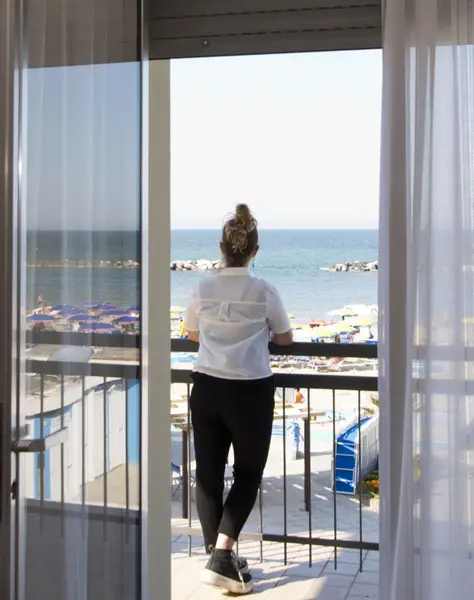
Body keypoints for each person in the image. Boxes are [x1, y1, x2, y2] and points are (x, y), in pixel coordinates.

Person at [184, 204, 294, 594]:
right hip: (249, 392)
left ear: (221, 248)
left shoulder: (201, 288)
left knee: (208, 477)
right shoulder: (264, 290)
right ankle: (223, 556)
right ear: (255, 252)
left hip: (207, 387)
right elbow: (285, 338)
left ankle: (219, 557)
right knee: (248, 474)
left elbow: (192, 333)